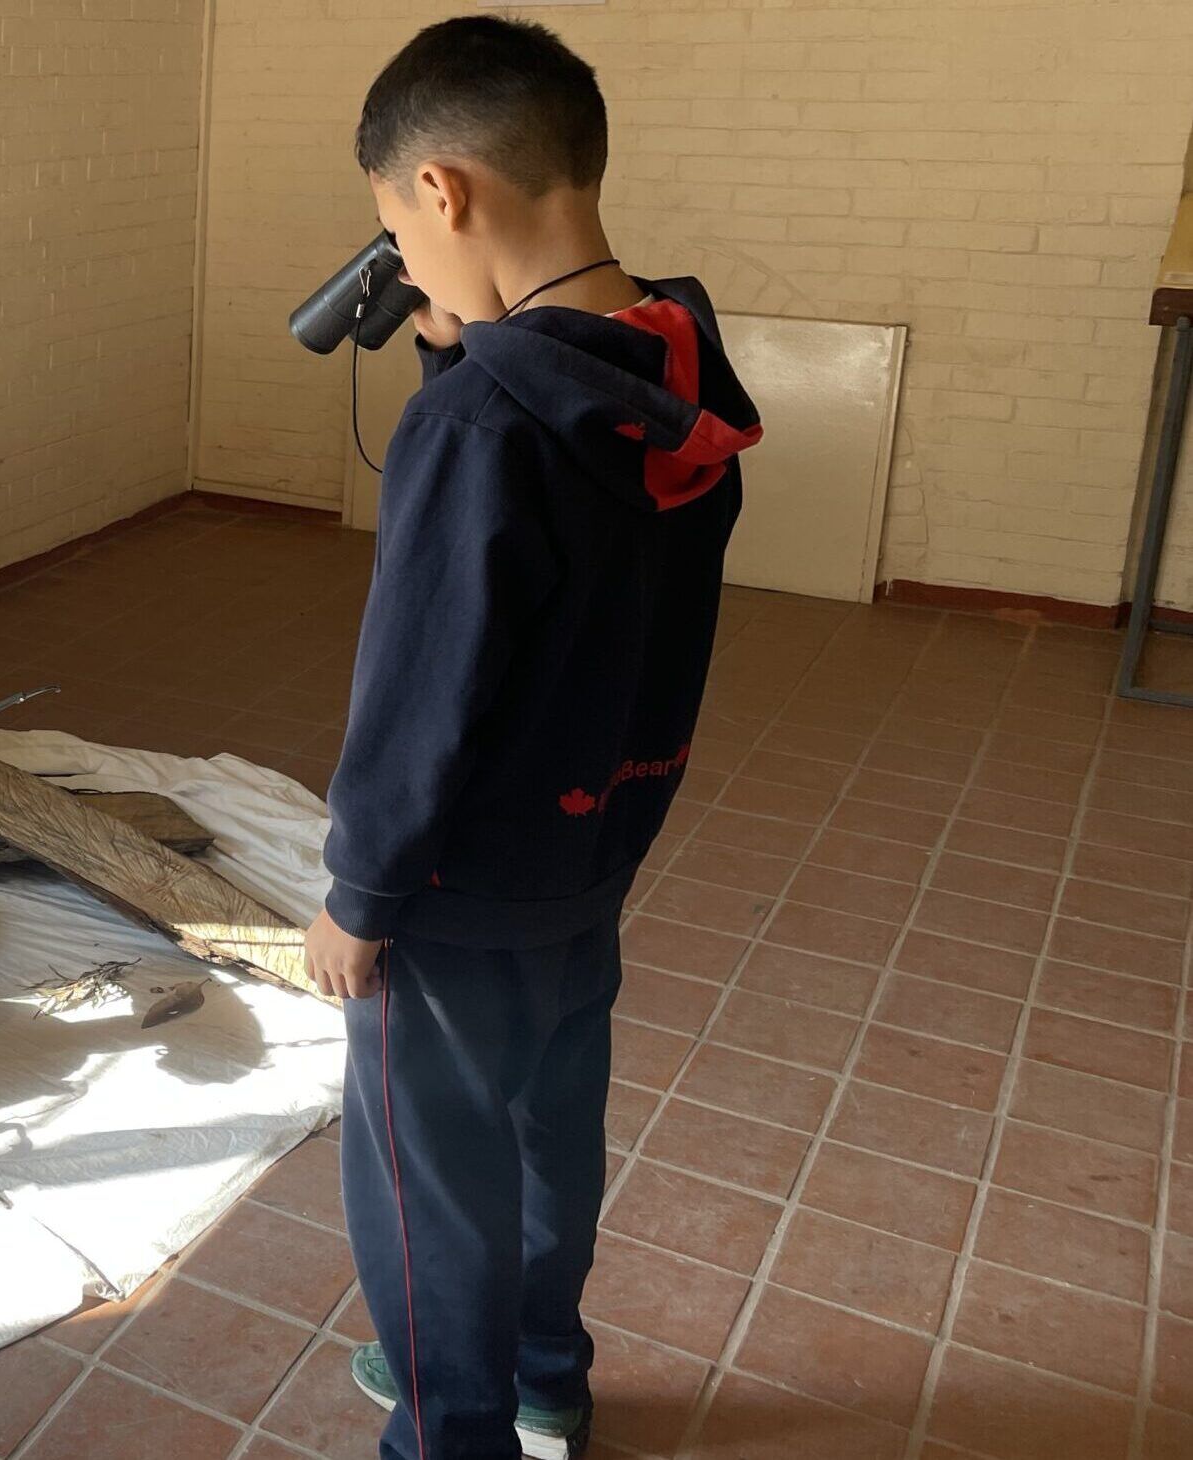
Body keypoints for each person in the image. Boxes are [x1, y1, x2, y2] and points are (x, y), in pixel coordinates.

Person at [299, 16, 760, 1460]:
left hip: (456, 890)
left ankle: (453, 1430)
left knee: (430, 1178)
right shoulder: (678, 365)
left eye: (399, 229)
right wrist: (470, 347)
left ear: (442, 192)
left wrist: (359, 894)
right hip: (593, 842)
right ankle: (548, 1371)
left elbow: (423, 690)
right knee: (551, 1121)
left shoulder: (475, 430)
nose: (405, 262)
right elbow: (550, 533)